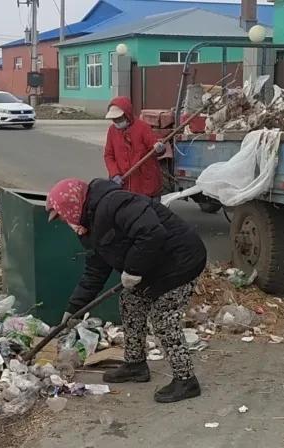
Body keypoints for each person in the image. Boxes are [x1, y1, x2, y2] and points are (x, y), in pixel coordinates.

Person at [47, 177, 207, 403]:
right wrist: (74, 308)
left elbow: (152, 232)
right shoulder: (88, 228)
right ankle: (136, 365)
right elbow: (95, 271)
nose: (63, 220)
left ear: (71, 204)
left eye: (61, 214)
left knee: (163, 317)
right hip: (154, 266)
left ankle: (186, 380)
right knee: (130, 302)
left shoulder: (115, 204)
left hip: (181, 260)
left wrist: (133, 269)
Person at [103, 96, 167, 197]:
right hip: (123, 182)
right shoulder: (112, 131)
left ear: (127, 115)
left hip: (145, 183)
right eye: (114, 119)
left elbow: (154, 147)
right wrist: (115, 174)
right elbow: (109, 155)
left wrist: (159, 148)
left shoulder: (142, 127)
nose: (116, 122)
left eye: (119, 118)